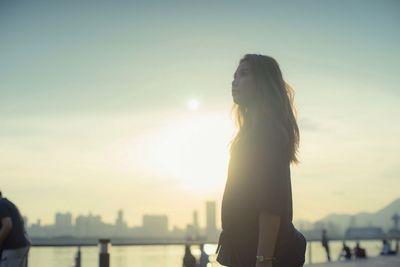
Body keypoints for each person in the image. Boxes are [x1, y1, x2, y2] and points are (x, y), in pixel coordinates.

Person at [215, 54, 306, 267]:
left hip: (258, 254)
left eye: (244, 74)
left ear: (263, 82)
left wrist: (263, 260)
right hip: (244, 251)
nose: (234, 81)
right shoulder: (249, 133)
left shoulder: (267, 132)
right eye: (234, 75)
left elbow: (270, 203)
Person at [0, 191, 31, 267]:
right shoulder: (8, 204)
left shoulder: (1, 205)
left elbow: (7, 225)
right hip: (21, 246)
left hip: (12, 248)